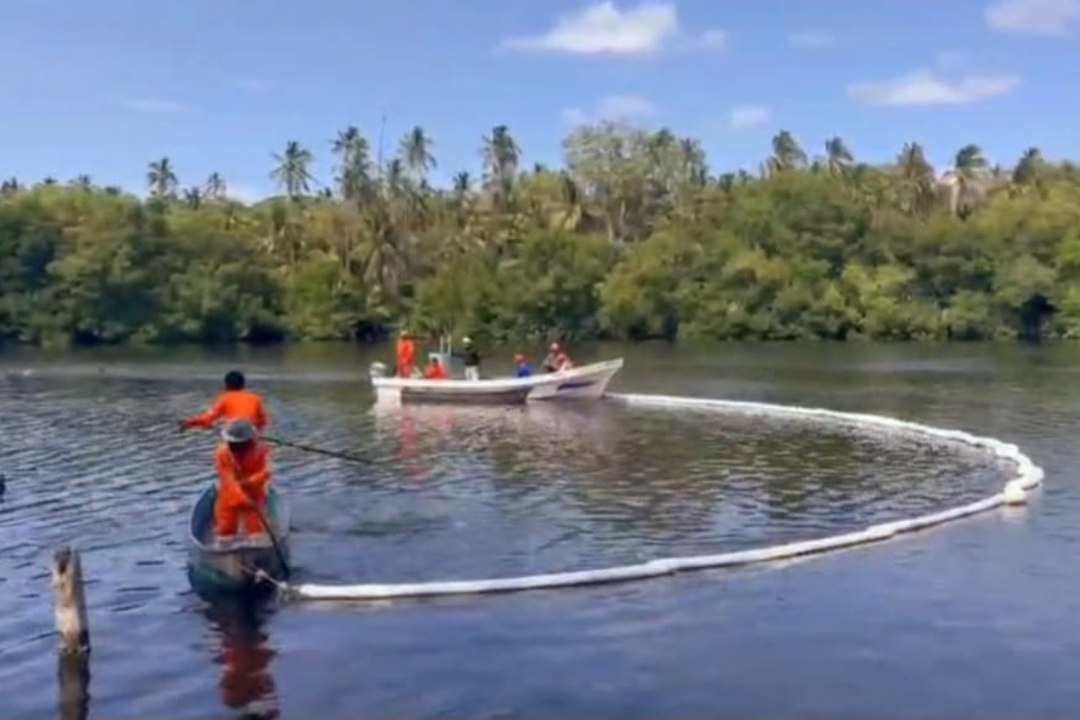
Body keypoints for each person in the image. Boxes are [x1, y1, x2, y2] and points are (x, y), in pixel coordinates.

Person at [213, 419, 272, 539]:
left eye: (239, 444)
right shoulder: (222, 453)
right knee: (225, 531)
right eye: (232, 443)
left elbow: (266, 472)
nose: (235, 446)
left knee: (256, 532)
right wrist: (244, 498)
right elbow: (229, 481)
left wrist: (248, 482)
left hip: (254, 495)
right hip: (230, 496)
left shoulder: (261, 450)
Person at [182, 370, 269, 433]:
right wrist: (256, 432)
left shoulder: (224, 398)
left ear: (226, 385)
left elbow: (207, 419)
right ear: (243, 385)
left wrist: (189, 422)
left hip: (232, 432)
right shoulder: (256, 398)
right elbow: (263, 421)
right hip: (250, 433)